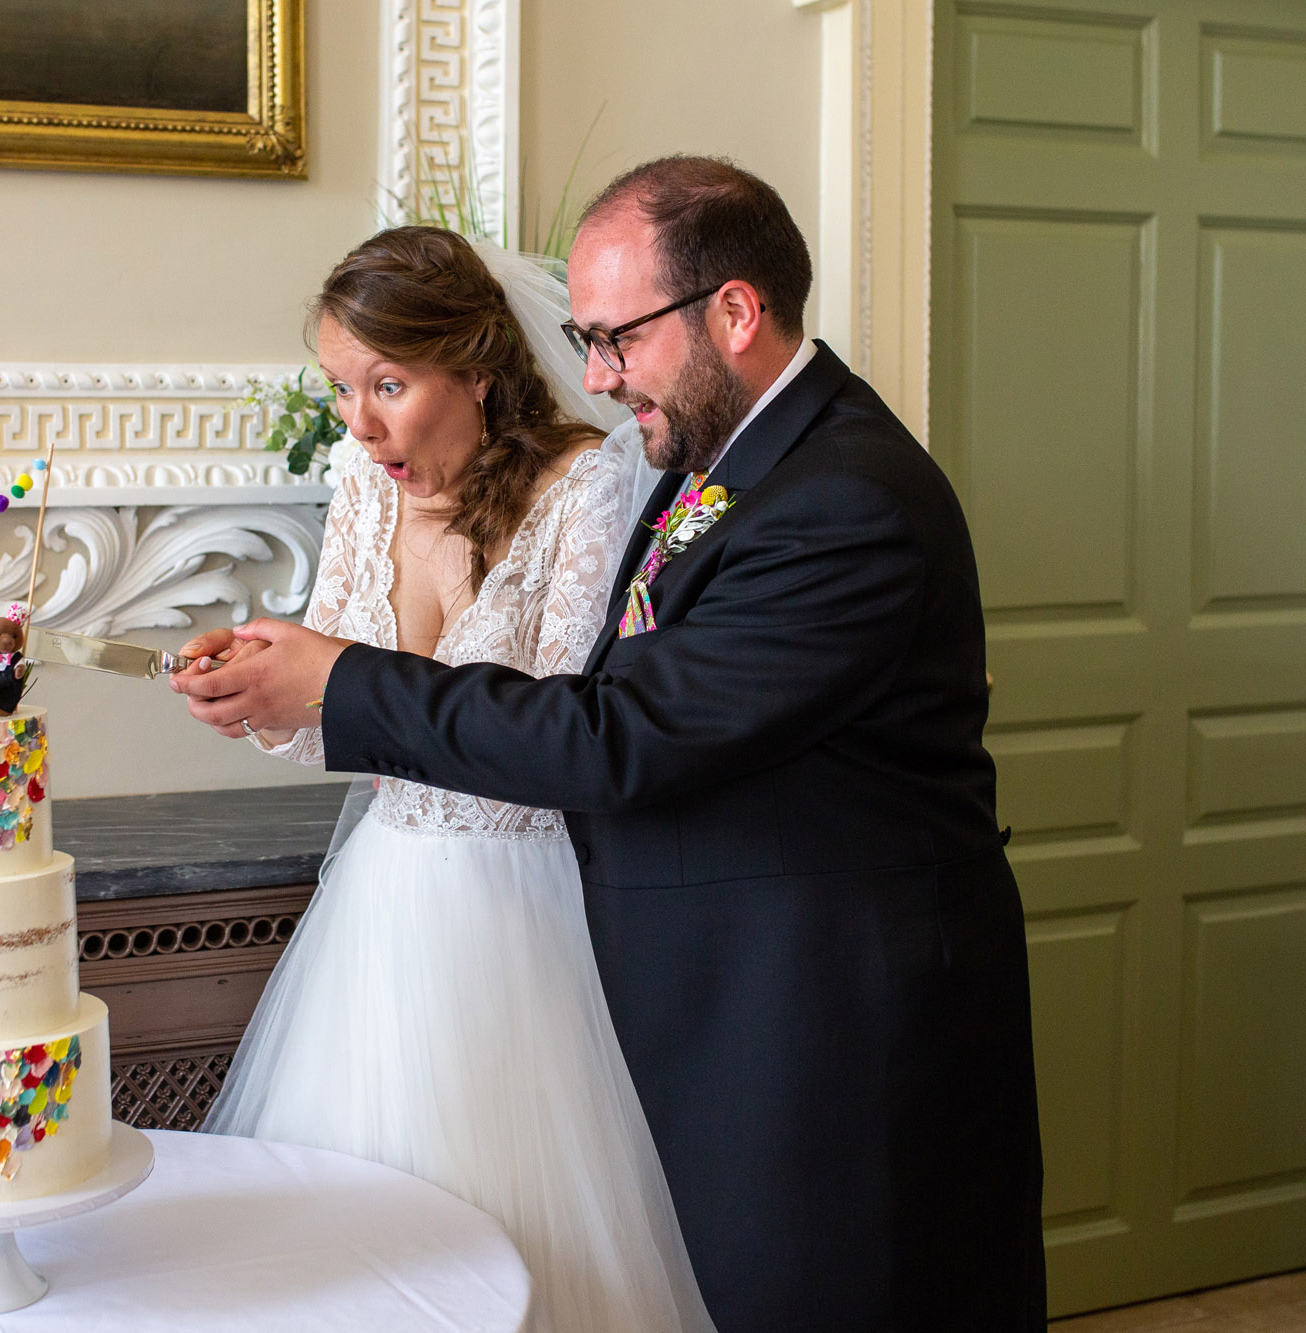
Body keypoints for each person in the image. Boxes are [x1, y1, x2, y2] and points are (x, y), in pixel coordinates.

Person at [176, 157, 1046, 1331]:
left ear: (732, 312)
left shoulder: (845, 501)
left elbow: (619, 731)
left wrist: (342, 679)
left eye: (617, 339)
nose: (591, 375)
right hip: (733, 1000)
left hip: (833, 1030)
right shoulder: (741, 464)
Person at [198, 224, 715, 1333]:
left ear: (476, 368)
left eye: (387, 383)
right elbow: (327, 725)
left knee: (538, 1239)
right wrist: (258, 695)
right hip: (380, 914)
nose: (358, 421)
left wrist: (333, 686)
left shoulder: (587, 484)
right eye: (342, 387)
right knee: (364, 1253)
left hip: (530, 918)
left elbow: (565, 739)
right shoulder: (360, 480)